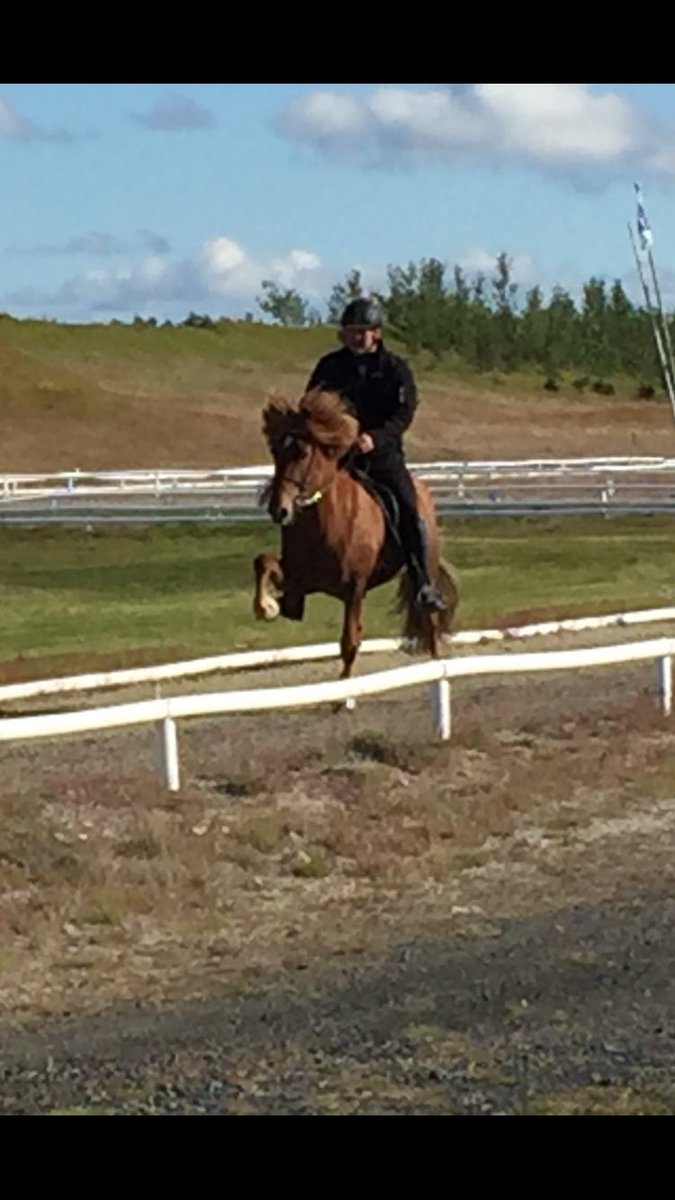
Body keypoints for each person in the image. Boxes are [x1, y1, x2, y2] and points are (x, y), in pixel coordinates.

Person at [306, 296, 445, 611]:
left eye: (362, 331)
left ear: (376, 333)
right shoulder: (330, 367)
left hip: (381, 456)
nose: (355, 337)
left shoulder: (395, 370)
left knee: (409, 508)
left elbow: (403, 413)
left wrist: (375, 439)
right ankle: (297, 574)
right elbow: (311, 405)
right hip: (338, 456)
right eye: (350, 331)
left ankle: (423, 581)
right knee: (301, 498)